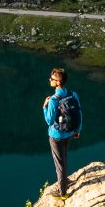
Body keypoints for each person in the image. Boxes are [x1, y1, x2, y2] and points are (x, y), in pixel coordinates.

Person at [42, 67, 82, 198]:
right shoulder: (73, 94)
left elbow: (49, 120)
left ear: (58, 82)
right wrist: (78, 130)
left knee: (59, 162)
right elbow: (79, 113)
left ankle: (62, 192)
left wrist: (44, 107)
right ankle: (64, 180)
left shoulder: (53, 100)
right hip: (69, 133)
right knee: (63, 157)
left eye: (52, 79)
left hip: (56, 135)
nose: (50, 80)